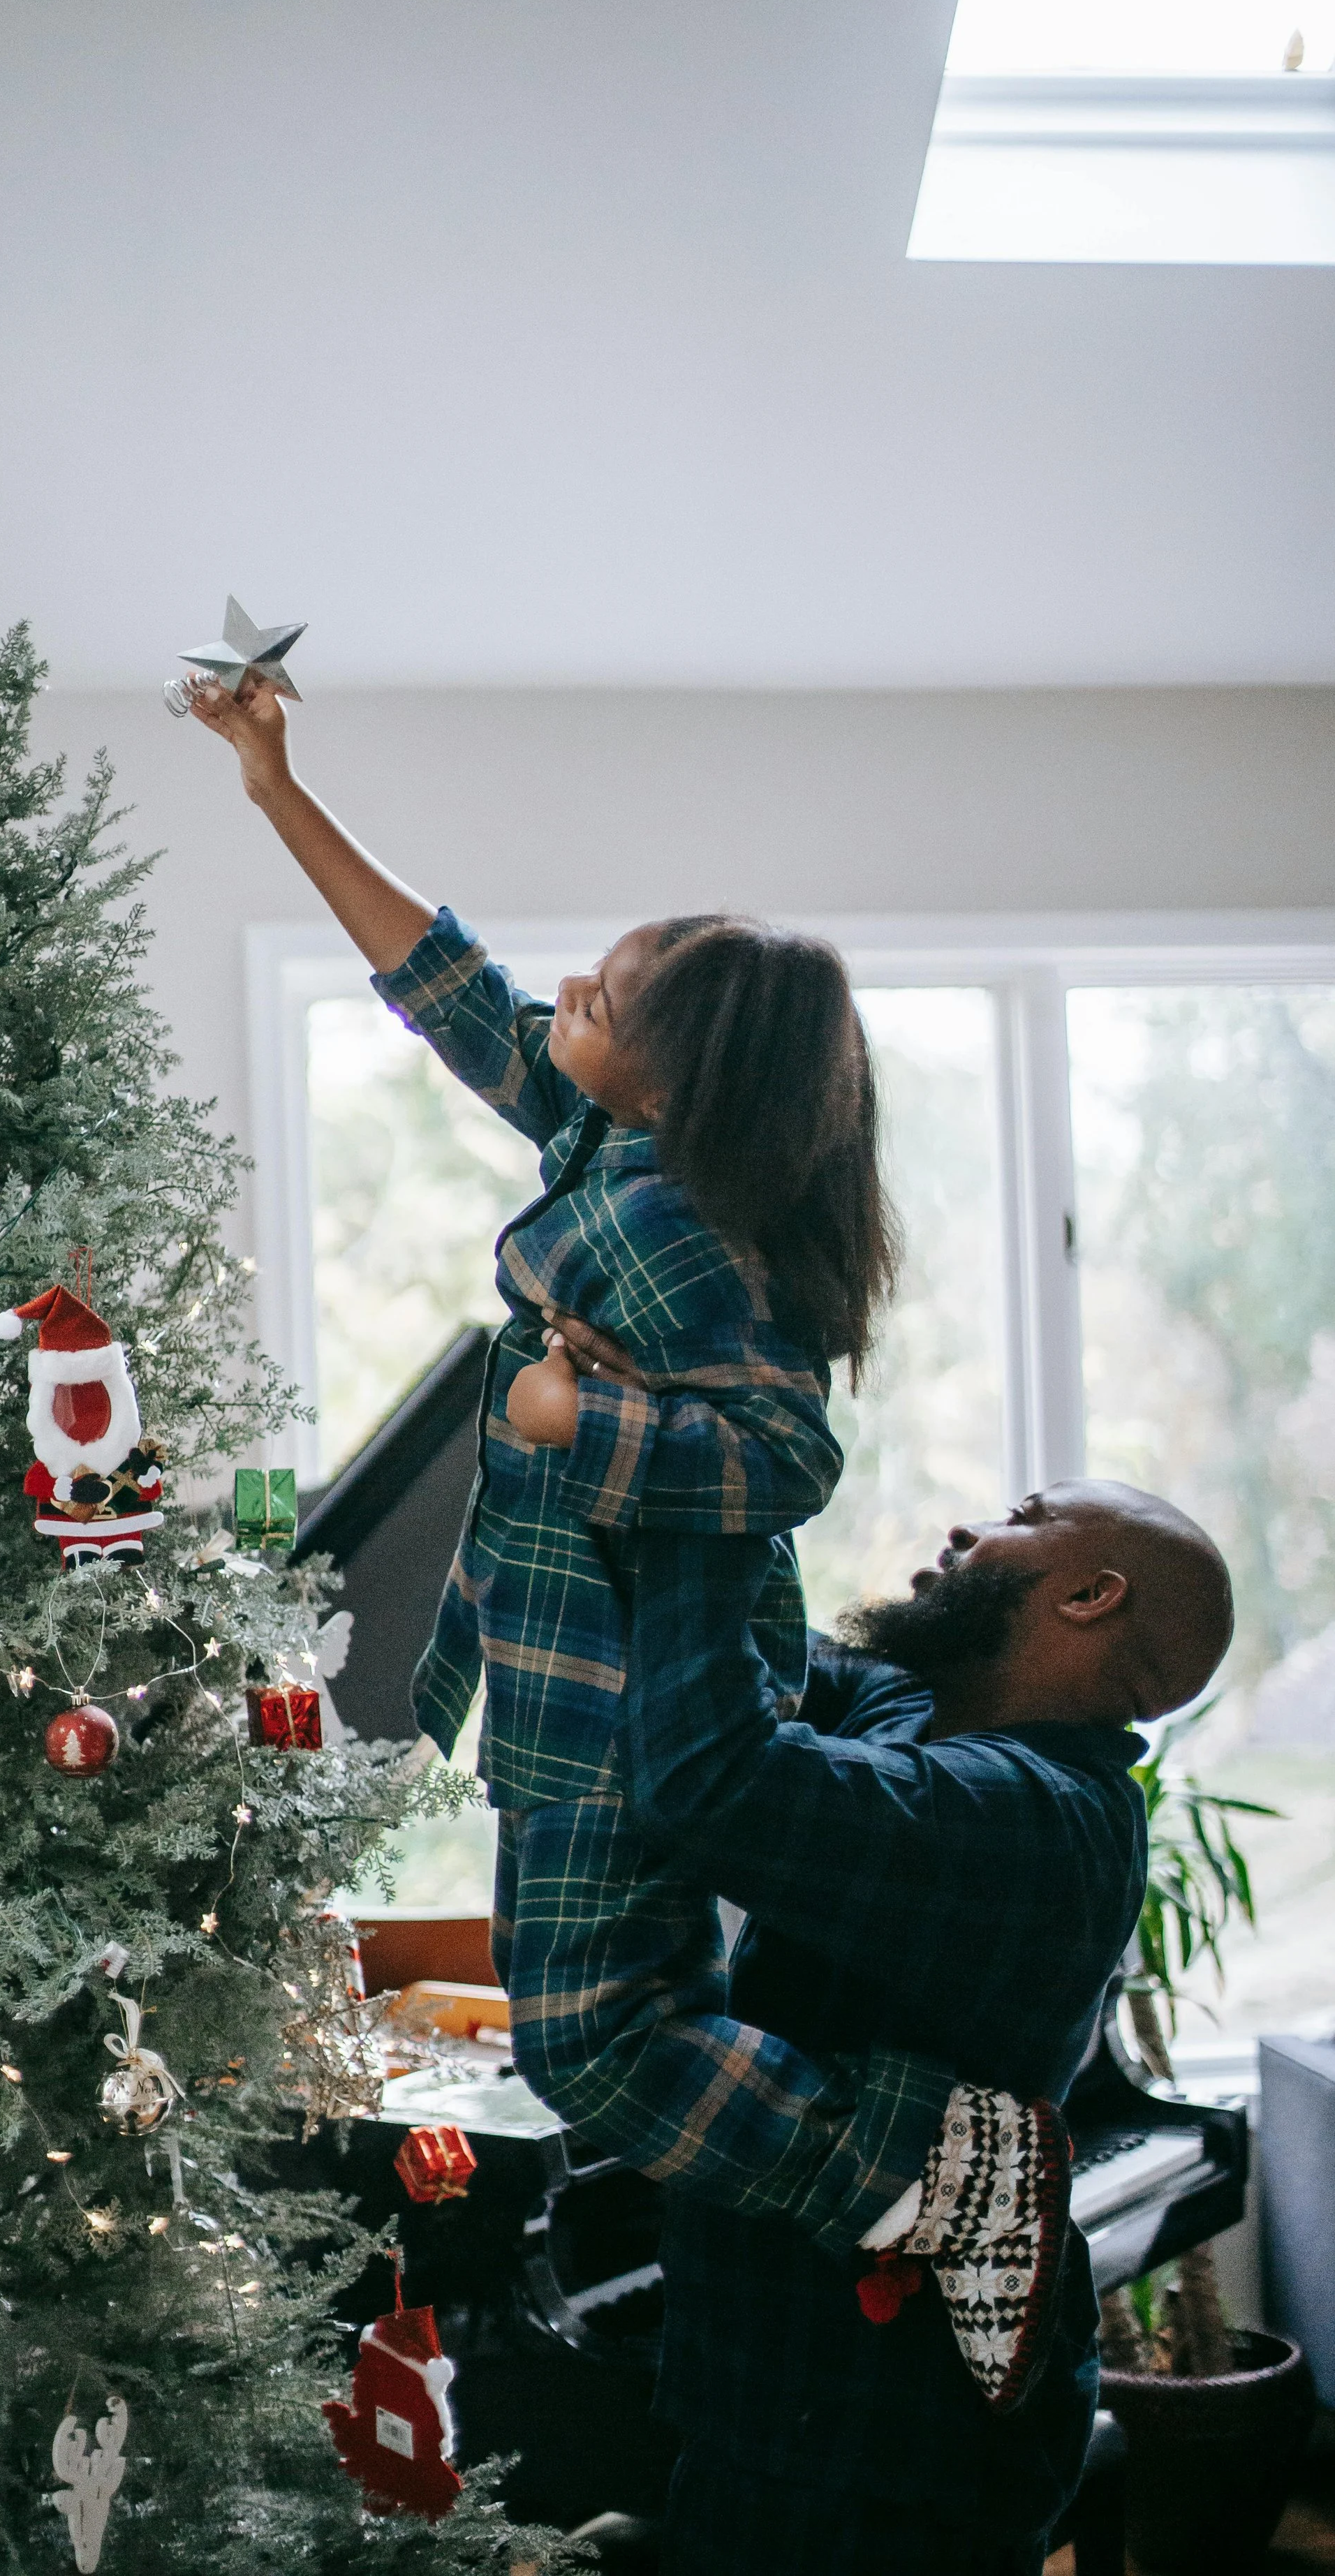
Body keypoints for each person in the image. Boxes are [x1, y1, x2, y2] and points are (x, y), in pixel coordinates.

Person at [195, 674, 1072, 2404]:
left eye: (610, 991)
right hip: (561, 1688)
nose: (571, 991)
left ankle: (933, 2171)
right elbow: (441, 989)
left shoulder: (677, 1229)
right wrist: (272, 785)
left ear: (688, 1081)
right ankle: (894, 2177)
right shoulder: (610, 1143)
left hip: (618, 1704)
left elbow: (785, 1450)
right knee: (599, 2012)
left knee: (593, 2050)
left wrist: (561, 1418)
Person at [545, 1380, 1232, 2575]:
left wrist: (698, 1478)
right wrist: (671, 1431)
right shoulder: (926, 1711)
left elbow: (711, 1774)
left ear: (1088, 1594)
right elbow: (751, 1661)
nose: (968, 1529)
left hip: (886, 2456)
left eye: (1021, 1513)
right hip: (783, 2402)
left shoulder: (1036, 1818)